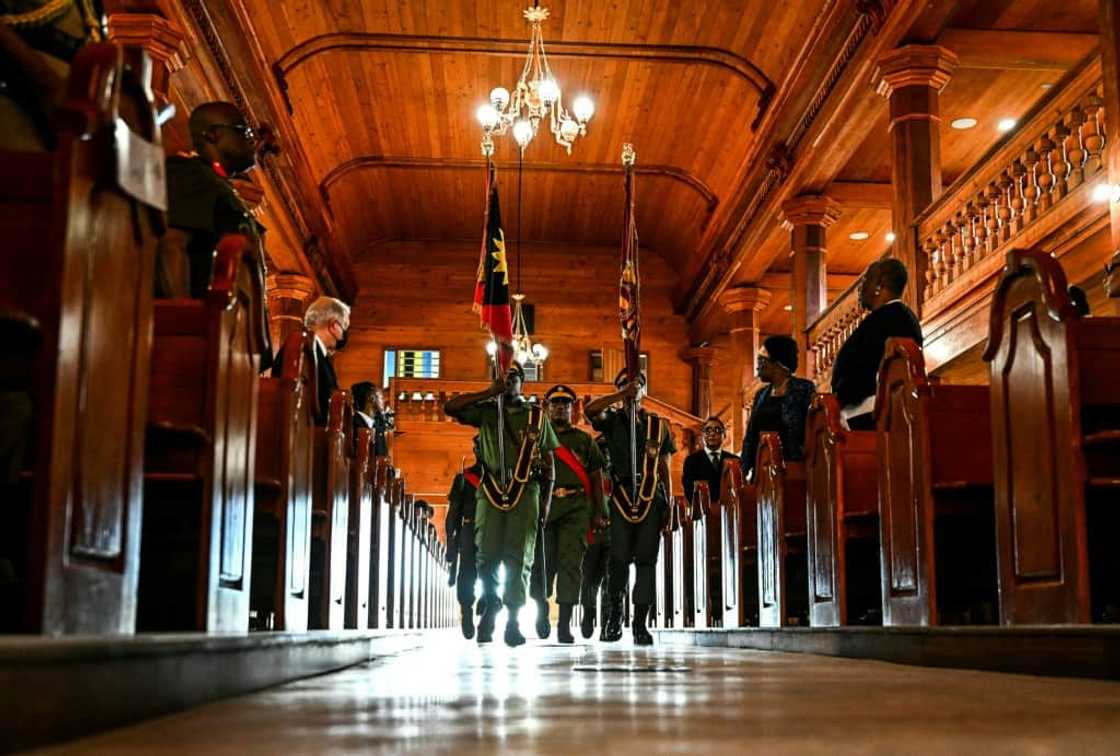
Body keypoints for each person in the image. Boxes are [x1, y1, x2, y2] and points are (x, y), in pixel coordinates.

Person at [443, 362, 558, 647]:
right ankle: (491, 607)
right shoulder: (485, 413)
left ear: (522, 382)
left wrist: (546, 502)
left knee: (520, 559)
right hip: (491, 490)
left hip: (526, 493)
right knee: (488, 556)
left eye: (514, 378)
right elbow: (451, 408)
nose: (509, 383)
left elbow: (549, 463)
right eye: (504, 378)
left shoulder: (536, 417)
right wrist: (488, 391)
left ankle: (513, 622)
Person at [584, 369, 675, 646]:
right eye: (624, 385)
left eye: (636, 386)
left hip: (651, 498)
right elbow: (590, 410)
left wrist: (669, 502)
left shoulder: (658, 426)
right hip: (622, 497)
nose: (632, 390)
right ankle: (614, 617)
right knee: (618, 561)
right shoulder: (612, 421)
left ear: (645, 390)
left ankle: (640, 622)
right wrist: (622, 394)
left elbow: (664, 466)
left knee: (647, 562)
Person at [528, 385, 607, 644]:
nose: (560, 408)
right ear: (547, 408)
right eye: (555, 404)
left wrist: (599, 512)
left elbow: (596, 479)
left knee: (571, 565)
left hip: (575, 508)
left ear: (572, 410)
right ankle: (540, 612)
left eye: (565, 404)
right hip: (544, 509)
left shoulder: (584, 441)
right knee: (542, 565)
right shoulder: (536, 437)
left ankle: (563, 625)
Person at [831, 258, 923, 431]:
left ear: (880, 284)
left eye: (866, 280)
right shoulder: (891, 316)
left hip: (871, 416)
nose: (860, 288)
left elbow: (864, 366)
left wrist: (840, 399)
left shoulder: (888, 319)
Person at [741, 335, 815, 482]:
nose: (758, 367)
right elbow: (751, 437)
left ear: (777, 365)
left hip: (792, 470)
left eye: (761, 361)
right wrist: (743, 471)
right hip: (762, 471)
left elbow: (811, 429)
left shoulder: (804, 389)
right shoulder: (761, 395)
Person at [273, 296, 349, 425]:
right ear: (334, 325)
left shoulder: (315, 352)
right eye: (344, 327)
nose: (343, 334)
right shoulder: (304, 349)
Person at [445, 438, 484, 639]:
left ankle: (487, 603)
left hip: (492, 531)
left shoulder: (502, 478)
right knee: (467, 573)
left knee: (491, 572)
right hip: (469, 530)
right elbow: (453, 513)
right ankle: (467, 610)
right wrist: (451, 542)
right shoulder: (463, 478)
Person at [579, 434, 613, 639]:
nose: (606, 455)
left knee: (611, 578)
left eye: (609, 451)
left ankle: (607, 621)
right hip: (591, 532)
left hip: (613, 534)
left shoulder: (618, 476)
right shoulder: (587, 476)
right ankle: (589, 613)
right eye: (602, 451)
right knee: (589, 578)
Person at [683, 417, 738, 501]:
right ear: (702, 435)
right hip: (702, 509)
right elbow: (689, 491)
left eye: (717, 430)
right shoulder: (691, 460)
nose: (712, 434)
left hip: (729, 508)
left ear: (724, 435)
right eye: (708, 430)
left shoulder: (734, 460)